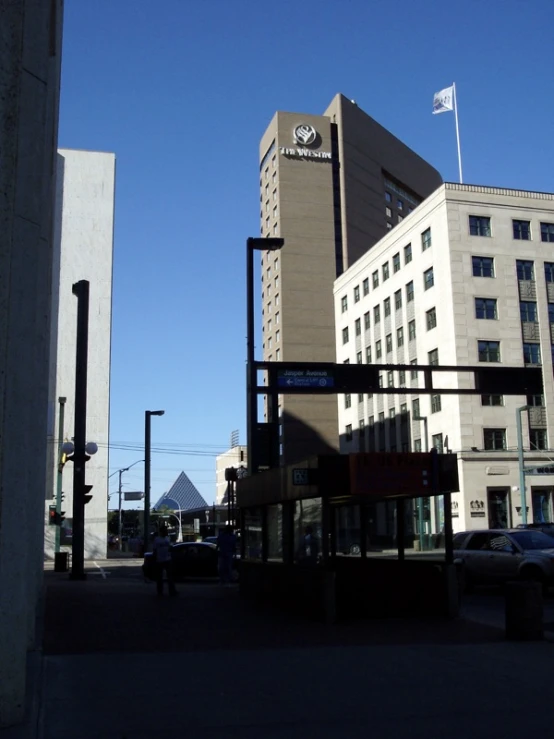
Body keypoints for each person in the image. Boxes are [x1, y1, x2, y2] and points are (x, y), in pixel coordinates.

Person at [152, 525, 177, 597]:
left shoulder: (167, 538)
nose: (167, 532)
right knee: (159, 577)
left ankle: (172, 591)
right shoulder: (157, 539)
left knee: (170, 577)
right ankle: (160, 592)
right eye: (165, 531)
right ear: (162, 532)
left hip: (167, 559)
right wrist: (154, 559)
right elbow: (155, 550)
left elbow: (170, 548)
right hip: (159, 560)